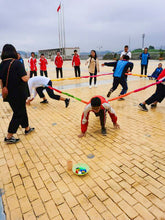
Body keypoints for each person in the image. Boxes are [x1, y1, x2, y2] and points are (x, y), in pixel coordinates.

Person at [0, 44, 34, 144]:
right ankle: (9, 136)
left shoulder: (1, 64)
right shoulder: (17, 63)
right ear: (13, 51)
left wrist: (3, 90)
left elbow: (1, 81)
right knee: (18, 113)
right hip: (19, 93)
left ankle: (27, 128)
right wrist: (28, 72)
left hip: (8, 93)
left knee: (21, 110)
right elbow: (25, 79)